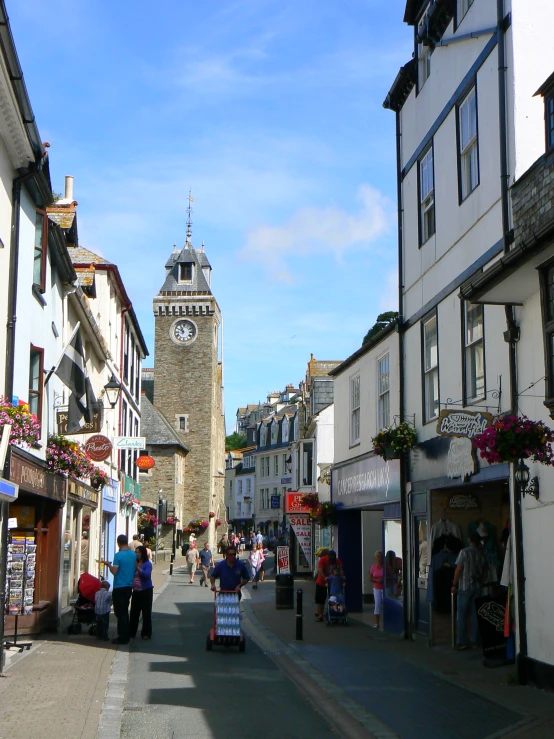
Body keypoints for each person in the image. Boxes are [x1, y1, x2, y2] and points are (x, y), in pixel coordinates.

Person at [451, 532, 485, 650]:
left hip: (464, 587)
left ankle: (461, 641)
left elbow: (458, 569)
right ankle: (474, 640)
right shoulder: (481, 554)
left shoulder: (464, 552)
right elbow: (482, 571)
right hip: (477, 587)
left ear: (469, 540)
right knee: (474, 615)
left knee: (461, 615)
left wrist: (454, 584)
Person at [105, 534, 137, 644]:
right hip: (129, 586)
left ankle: (123, 636)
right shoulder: (133, 554)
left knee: (120, 612)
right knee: (124, 611)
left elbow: (114, 571)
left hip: (119, 586)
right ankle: (126, 634)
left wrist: (108, 565)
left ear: (118, 543)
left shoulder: (118, 555)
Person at [129, 545, 154, 640]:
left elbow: (146, 575)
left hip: (146, 591)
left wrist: (138, 568)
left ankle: (146, 633)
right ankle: (131, 632)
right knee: (134, 613)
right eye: (136, 552)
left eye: (138, 552)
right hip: (136, 591)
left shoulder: (148, 564)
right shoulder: (135, 563)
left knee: (146, 613)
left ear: (143, 553)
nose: (136, 554)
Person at [315, 550, 344, 622]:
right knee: (320, 599)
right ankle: (320, 615)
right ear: (328, 556)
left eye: (333, 559)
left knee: (333, 598)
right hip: (321, 582)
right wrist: (325, 578)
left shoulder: (337, 561)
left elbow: (341, 570)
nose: (332, 561)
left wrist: (342, 578)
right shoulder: (323, 560)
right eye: (330, 559)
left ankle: (332, 613)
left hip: (333, 583)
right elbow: (320, 570)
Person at [370, 551, 384, 629]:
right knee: (377, 605)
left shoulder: (385, 567)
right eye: (378, 557)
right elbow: (370, 578)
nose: (379, 559)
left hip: (384, 588)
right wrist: (376, 580)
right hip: (376, 588)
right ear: (376, 558)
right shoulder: (373, 567)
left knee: (386, 604)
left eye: (381, 557)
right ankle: (377, 623)